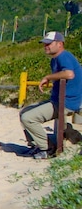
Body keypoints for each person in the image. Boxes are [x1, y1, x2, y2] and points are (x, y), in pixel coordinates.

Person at [19, 31, 82, 159]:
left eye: (49, 43)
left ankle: (47, 148)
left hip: (66, 103)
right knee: (24, 112)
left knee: (28, 118)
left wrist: (48, 77)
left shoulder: (64, 56)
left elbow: (69, 74)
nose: (46, 46)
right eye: (44, 44)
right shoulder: (55, 59)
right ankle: (37, 144)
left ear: (60, 44)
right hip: (57, 100)